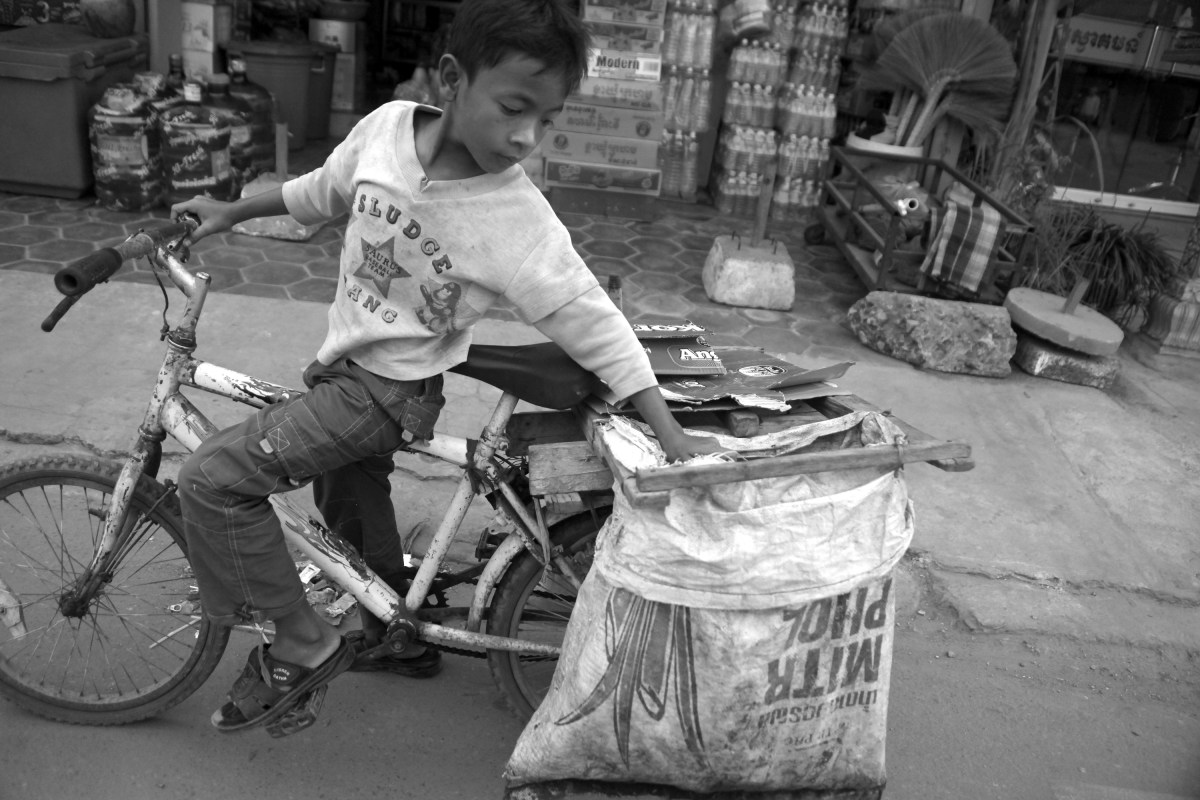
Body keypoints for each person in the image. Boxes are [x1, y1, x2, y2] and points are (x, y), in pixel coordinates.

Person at [170, 0, 724, 737]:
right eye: (514, 108)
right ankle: (389, 631)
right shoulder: (385, 129)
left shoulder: (518, 220)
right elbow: (320, 190)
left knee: (212, 481)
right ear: (453, 79)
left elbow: (595, 323)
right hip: (342, 370)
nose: (526, 137)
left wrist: (670, 432)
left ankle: (302, 642)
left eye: (547, 119)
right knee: (349, 501)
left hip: (385, 393)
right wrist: (230, 210)